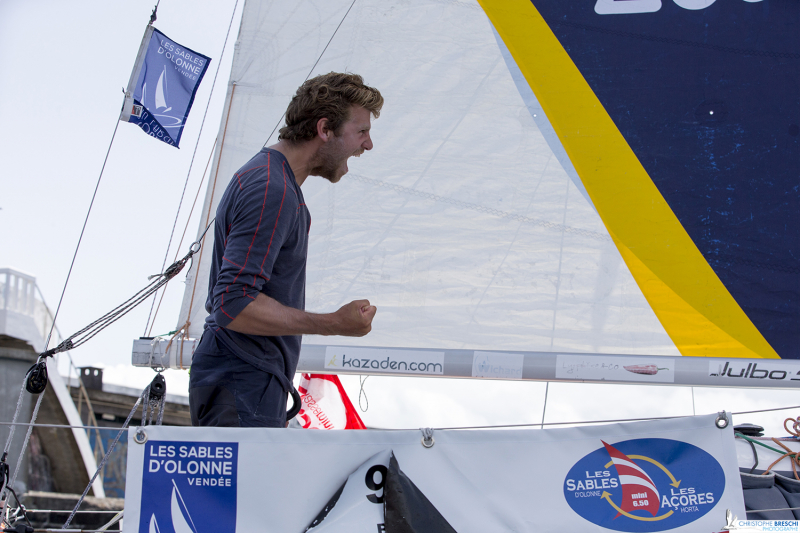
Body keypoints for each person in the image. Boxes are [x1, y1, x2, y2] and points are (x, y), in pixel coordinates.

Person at [189, 72, 383, 428]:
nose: (367, 145)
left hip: (243, 379)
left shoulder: (272, 181)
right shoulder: (271, 188)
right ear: (325, 129)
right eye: (361, 132)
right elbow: (233, 303)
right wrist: (333, 324)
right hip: (241, 380)